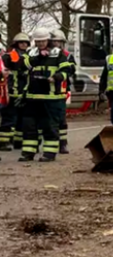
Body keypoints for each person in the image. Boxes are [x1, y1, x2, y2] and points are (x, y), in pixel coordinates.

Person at [21, 28, 73, 162]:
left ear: (48, 40)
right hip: (32, 97)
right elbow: (23, 66)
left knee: (49, 126)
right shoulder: (30, 52)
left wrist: (55, 77)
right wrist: (39, 57)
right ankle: (28, 153)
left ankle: (49, 153)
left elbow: (67, 70)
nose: (40, 44)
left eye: (43, 41)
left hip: (51, 97)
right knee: (29, 126)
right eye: (38, 41)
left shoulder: (58, 53)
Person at [0, 33, 29, 151]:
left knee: (22, 119)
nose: (24, 44)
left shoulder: (29, 56)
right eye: (21, 42)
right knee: (9, 118)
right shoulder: (8, 56)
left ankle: (18, 141)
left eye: (26, 42)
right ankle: (3, 142)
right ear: (16, 44)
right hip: (11, 92)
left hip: (24, 93)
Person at [50, 30, 74, 154]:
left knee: (61, 117)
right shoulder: (47, 55)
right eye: (54, 41)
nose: (56, 44)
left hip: (63, 89)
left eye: (58, 41)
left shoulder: (68, 55)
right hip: (48, 89)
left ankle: (63, 143)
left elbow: (71, 70)